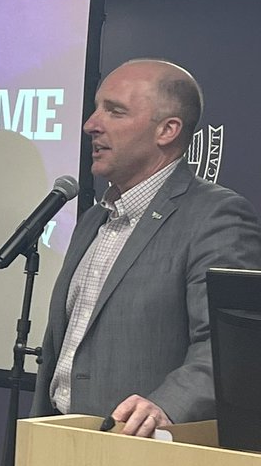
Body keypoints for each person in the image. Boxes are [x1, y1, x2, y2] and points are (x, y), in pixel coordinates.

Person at [31, 59, 261, 435]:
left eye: (114, 111)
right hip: (61, 442)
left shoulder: (215, 217)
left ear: (167, 131)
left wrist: (167, 406)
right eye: (95, 108)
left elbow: (229, 348)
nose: (91, 124)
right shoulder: (93, 219)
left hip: (145, 452)